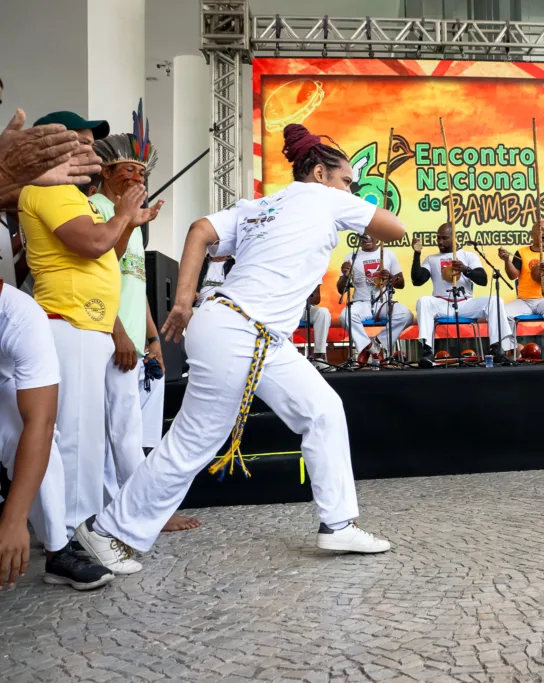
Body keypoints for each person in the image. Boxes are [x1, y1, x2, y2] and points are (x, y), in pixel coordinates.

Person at [74, 124, 403, 575]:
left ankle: (338, 522)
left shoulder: (258, 206)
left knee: (323, 407)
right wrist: (357, 202)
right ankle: (107, 532)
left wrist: (185, 299)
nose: (352, 189)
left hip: (251, 332)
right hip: (240, 330)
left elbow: (199, 230)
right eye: (348, 180)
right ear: (322, 175)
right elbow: (395, 227)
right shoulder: (325, 197)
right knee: (196, 440)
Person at [17, 111, 153, 540]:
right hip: (69, 321)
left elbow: (108, 259)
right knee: (75, 440)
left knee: (90, 442)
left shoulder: (74, 197)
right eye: (77, 142)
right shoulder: (50, 190)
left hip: (86, 326)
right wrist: (124, 215)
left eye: (89, 144)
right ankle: (73, 541)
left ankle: (78, 534)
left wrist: (126, 221)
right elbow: (94, 243)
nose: (87, 151)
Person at [89, 128, 199, 532]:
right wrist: (117, 332)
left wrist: (151, 338)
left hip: (135, 343)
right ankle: (138, 515)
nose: (137, 179)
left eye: (141, 173)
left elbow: (133, 282)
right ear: (104, 171)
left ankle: (125, 512)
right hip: (106, 338)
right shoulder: (96, 210)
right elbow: (98, 277)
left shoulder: (128, 219)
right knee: (118, 433)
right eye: (127, 171)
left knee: (129, 434)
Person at [0, 281, 114, 590]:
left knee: (36, 438)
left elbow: (41, 420)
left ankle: (57, 550)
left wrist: (13, 520)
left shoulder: (19, 313)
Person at [412, 223, 514, 366]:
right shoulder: (431, 259)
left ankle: (496, 349)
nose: (440, 242)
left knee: (495, 301)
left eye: (444, 238)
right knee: (423, 300)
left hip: (466, 303)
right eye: (438, 238)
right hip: (442, 303)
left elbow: (483, 280)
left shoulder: (468, 256)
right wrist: (417, 254)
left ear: (454, 238)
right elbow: (418, 280)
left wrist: (466, 269)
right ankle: (428, 351)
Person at [499, 221, 544, 359]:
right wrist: (507, 260)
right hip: (525, 300)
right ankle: (513, 350)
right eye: (541, 230)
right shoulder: (522, 252)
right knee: (502, 313)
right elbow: (513, 275)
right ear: (532, 235)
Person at [337, 233, 413, 357]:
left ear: (377, 236)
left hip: (384, 302)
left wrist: (390, 278)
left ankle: (376, 342)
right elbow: (341, 290)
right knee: (346, 316)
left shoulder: (388, 254)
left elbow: (401, 283)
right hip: (361, 303)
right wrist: (345, 275)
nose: (367, 237)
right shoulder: (351, 257)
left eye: (370, 234)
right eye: (363, 235)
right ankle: (371, 348)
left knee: (406, 315)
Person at [298, 285, 333, 366]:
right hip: (286, 308)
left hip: (303, 308)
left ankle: (319, 357)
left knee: (323, 312)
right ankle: (289, 358)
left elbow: (316, 299)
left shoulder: (313, 272)